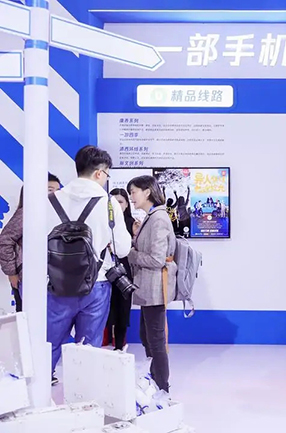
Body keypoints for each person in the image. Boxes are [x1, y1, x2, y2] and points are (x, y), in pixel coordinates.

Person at [46, 147, 131, 383]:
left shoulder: (50, 200)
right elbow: (122, 248)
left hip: (56, 284)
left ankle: (40, 395)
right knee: (89, 348)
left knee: (48, 344)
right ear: (99, 173)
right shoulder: (109, 203)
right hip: (96, 284)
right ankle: (83, 396)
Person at [127, 175, 177, 394]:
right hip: (148, 288)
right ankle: (156, 380)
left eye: (133, 192)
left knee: (155, 340)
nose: (131, 197)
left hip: (155, 288)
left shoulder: (158, 218)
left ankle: (162, 387)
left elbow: (157, 259)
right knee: (148, 336)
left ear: (147, 192)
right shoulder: (152, 217)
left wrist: (130, 254)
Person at [0, 174, 61, 313]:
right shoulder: (27, 212)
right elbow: (4, 241)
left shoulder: (56, 213)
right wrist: (12, 273)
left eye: (58, 190)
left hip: (52, 278)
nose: (55, 195)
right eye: (50, 190)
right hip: (28, 278)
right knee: (29, 318)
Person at [103, 188, 136, 351]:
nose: (117, 205)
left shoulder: (132, 223)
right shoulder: (102, 221)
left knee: (123, 307)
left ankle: (119, 345)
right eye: (114, 202)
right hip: (105, 271)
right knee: (105, 306)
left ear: (127, 204)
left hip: (124, 271)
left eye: (121, 201)